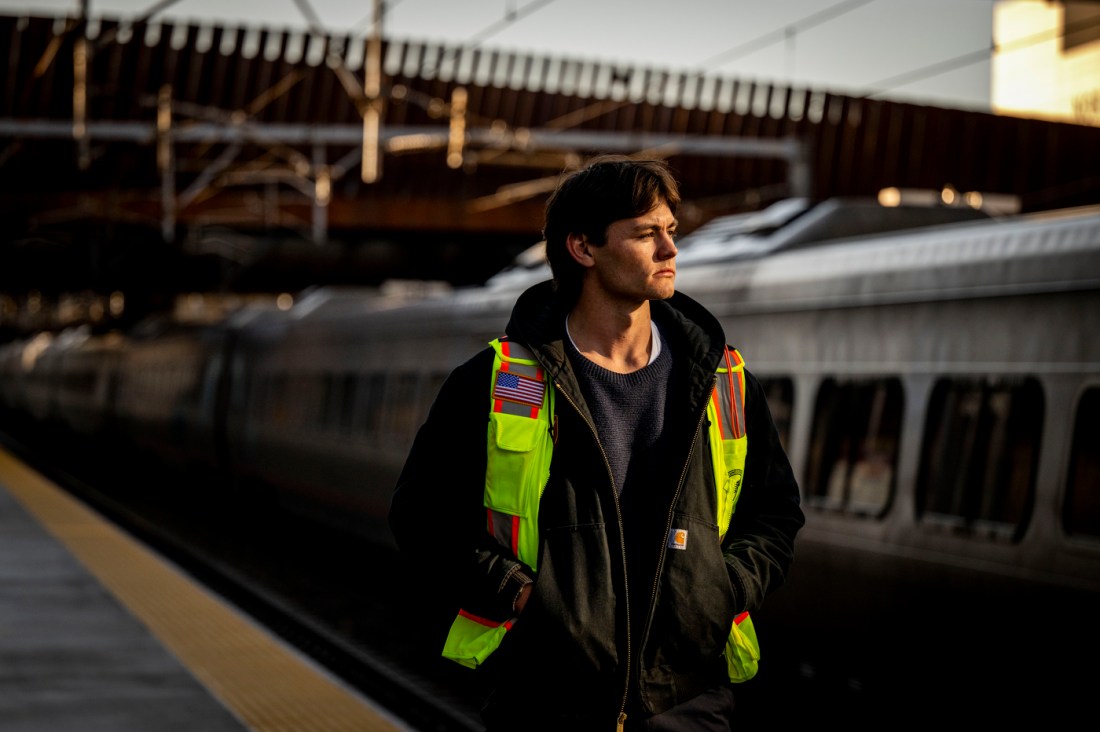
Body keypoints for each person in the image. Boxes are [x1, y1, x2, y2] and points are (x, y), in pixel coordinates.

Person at [389, 155, 804, 731]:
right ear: (583, 249)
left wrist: (722, 589)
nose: (670, 250)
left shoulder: (722, 381)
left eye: (671, 232)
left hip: (687, 698)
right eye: (645, 234)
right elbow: (422, 515)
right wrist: (518, 594)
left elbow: (775, 513)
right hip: (546, 697)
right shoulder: (496, 381)